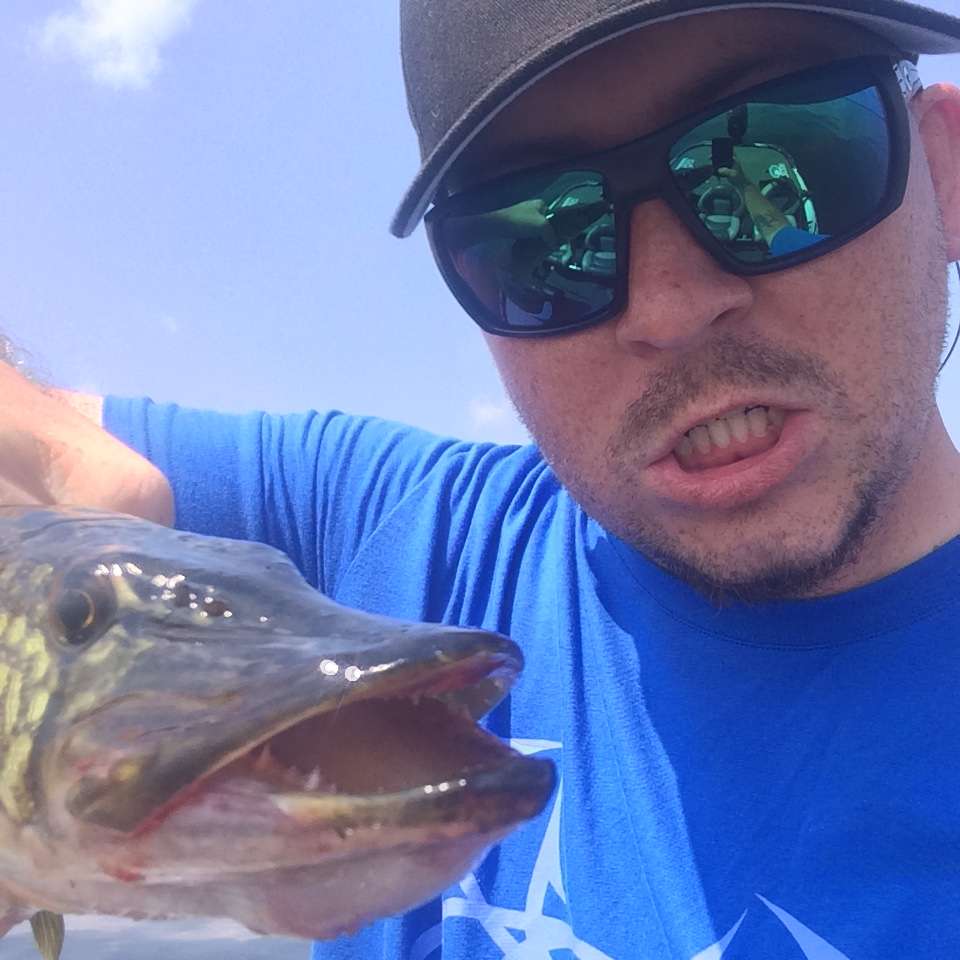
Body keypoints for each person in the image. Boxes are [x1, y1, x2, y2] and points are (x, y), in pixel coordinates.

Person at [6, 0, 960, 956]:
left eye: (775, 170)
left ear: (946, 174)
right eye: (541, 240)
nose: (670, 306)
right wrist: (52, 471)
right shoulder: (399, 531)